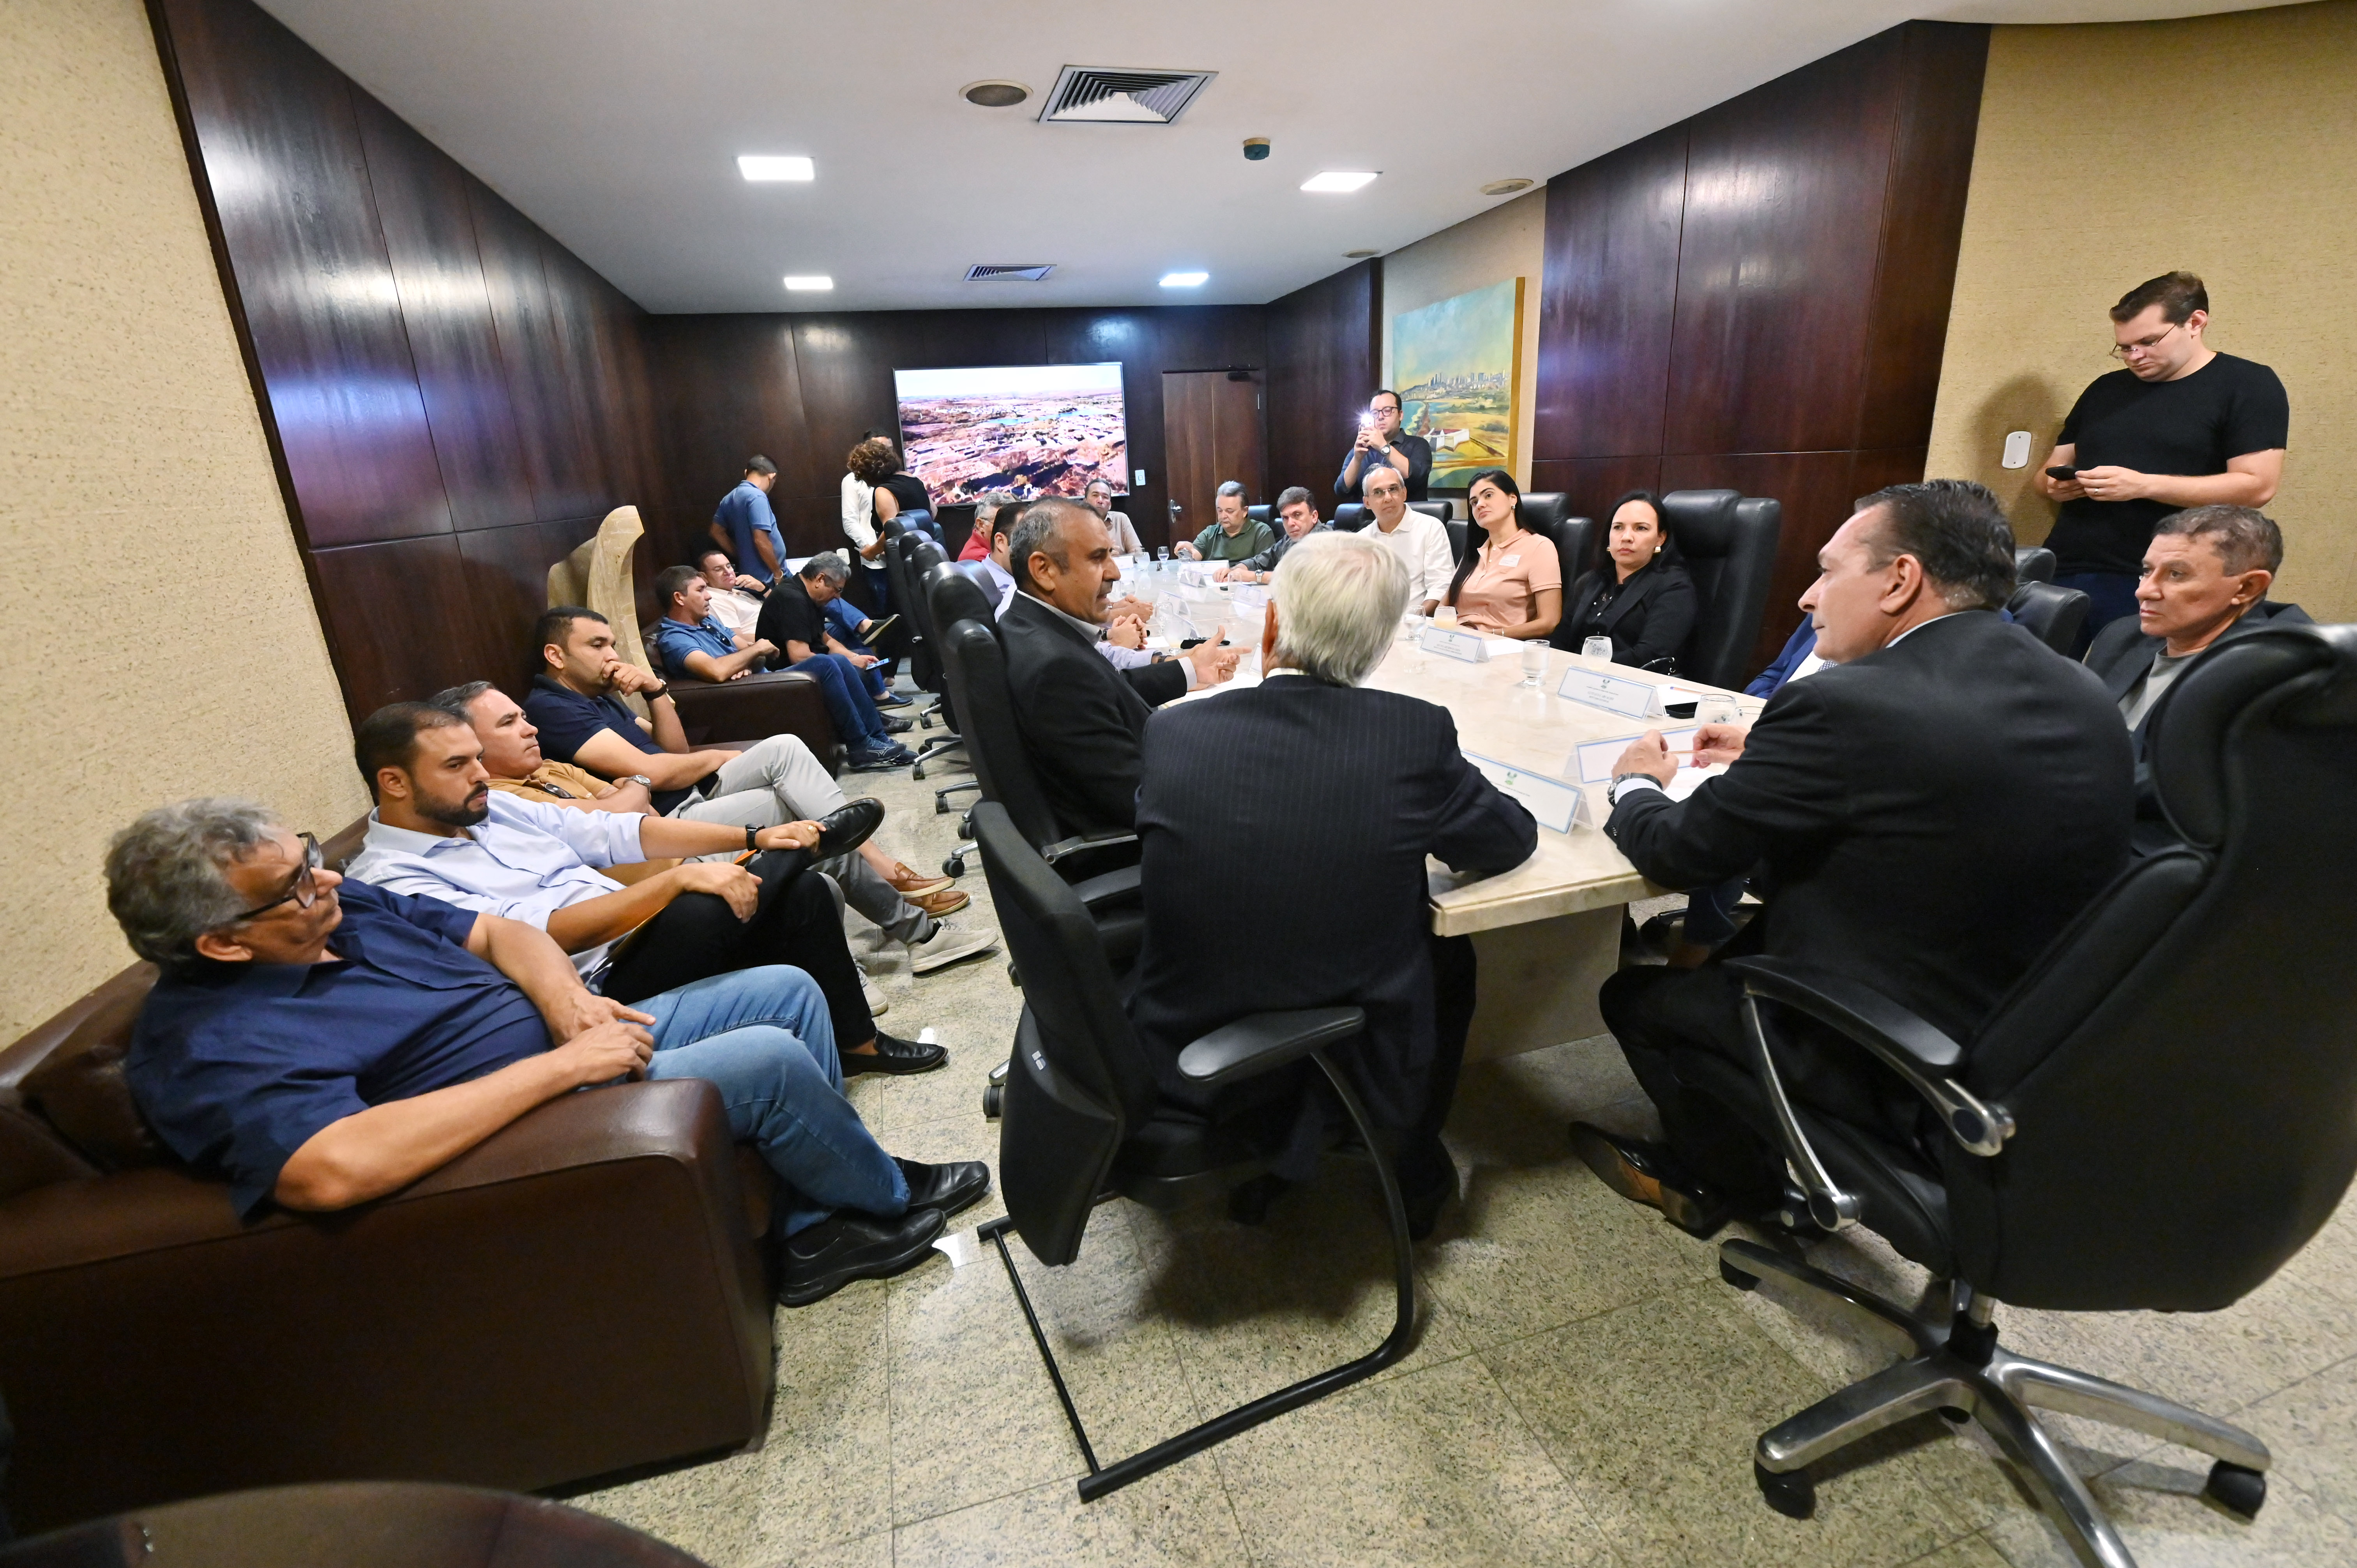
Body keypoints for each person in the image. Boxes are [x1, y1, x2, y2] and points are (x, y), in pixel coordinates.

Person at [110, 798, 988, 1305]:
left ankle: (810, 1221)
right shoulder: (208, 1043)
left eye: (309, 858)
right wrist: (562, 1067)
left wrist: (569, 1006)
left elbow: (504, 934)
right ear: (222, 941)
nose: (328, 878)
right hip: (522, 1118)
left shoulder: (345, 909)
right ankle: (879, 1194)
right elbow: (330, 1169)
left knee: (787, 990)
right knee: (766, 1056)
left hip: (571, 1043)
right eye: (296, 884)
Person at [1572, 480, 2133, 1234]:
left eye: (1828, 571)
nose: (1808, 596)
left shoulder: (1847, 702)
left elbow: (1678, 853)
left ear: (1900, 579)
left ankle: (1724, 1180)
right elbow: (1937, 774)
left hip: (1876, 1038)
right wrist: (1771, 747)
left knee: (1634, 997)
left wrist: (1635, 782)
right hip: (2027, 1036)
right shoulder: (2084, 691)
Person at [1131, 532, 1536, 1237]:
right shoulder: (1412, 734)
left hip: (1178, 1033)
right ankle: (1409, 1155)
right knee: (1450, 953)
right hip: (1336, 1033)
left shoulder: (1174, 731)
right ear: (1380, 646)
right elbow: (1506, 840)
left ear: (1271, 622)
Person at [343, 702, 967, 1076]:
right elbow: (546, 935)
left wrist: (754, 834)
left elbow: (618, 833)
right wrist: (675, 881)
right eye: (457, 766)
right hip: (596, 981)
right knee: (699, 907)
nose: (481, 776)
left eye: (478, 758)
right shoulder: (391, 880)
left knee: (802, 893)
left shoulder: (489, 808)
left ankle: (859, 1042)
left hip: (636, 936)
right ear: (394, 782)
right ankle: (797, 851)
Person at [444, 681, 986, 941]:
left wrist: (654, 693)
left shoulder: (549, 765)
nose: (530, 727)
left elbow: (642, 781)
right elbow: (634, 797)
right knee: (801, 828)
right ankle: (910, 923)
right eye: (510, 723)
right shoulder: (504, 799)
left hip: (667, 827)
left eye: (522, 718)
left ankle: (896, 898)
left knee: (788, 768)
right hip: (656, 867)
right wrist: (630, 791)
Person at [2035, 272, 2288, 645]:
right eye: (2125, 347)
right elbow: (2046, 474)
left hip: (2160, 578)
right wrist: (2056, 486)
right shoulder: (2106, 389)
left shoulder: (2248, 384)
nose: (2135, 357)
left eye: (2148, 342)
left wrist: (2142, 485)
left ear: (2195, 323)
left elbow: (2257, 486)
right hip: (2067, 564)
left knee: (2128, 679)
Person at [1000, 498, 1239, 835]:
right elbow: (1141, 799)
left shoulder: (1029, 625)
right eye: (1098, 558)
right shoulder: (1056, 668)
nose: (1114, 572)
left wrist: (1190, 669)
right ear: (1044, 570)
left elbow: (1107, 687)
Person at [2084, 505, 2310, 852]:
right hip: (2086, 816)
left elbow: (2189, 782)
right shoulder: (2123, 636)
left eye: (2176, 575)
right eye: (2147, 571)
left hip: (2164, 848)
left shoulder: (2275, 668)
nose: (2145, 591)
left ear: (2247, 587)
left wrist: (2061, 776)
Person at [750, 558, 919, 771]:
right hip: (778, 677)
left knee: (844, 658)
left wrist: (853, 657)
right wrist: (842, 660)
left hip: (799, 669)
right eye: (837, 590)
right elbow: (798, 656)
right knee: (827, 663)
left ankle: (878, 739)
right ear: (820, 579)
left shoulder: (811, 597)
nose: (838, 596)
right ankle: (860, 745)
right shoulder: (791, 598)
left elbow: (826, 640)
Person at [1555, 490, 1696, 671]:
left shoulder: (1674, 587)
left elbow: (1650, 655)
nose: (1626, 537)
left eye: (1641, 528)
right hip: (1570, 676)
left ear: (1660, 538)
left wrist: (1584, 668)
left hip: (1629, 681)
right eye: (1618, 527)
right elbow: (1560, 639)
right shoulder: (1590, 581)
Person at [1442, 469, 1560, 639]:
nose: (1480, 505)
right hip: (1457, 640)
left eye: (1488, 495)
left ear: (1513, 499)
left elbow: (1549, 622)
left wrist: (1490, 635)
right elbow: (1444, 609)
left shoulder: (1539, 547)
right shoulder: (1475, 551)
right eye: (1474, 502)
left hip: (1502, 645)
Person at [646, 564, 779, 685]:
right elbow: (717, 671)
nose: (709, 596)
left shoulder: (707, 620)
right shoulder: (675, 638)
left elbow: (754, 655)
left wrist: (745, 665)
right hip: (754, 691)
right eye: (700, 590)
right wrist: (757, 649)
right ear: (679, 598)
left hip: (764, 679)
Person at [1360, 464, 1453, 614]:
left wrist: (1414, 619)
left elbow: (1441, 586)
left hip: (1417, 621)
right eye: (1378, 492)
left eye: (1393, 489)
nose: (1388, 498)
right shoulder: (1361, 540)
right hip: (1372, 623)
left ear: (1404, 493)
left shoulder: (1431, 528)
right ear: (1367, 503)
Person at [1334, 389, 1433, 503]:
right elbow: (1341, 490)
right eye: (1375, 413)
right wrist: (1357, 459)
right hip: (1368, 514)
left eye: (1387, 411)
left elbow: (1416, 476)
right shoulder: (1360, 450)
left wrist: (1383, 446)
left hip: (1407, 513)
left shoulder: (1418, 444)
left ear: (1400, 415)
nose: (1380, 417)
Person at [1218, 487, 1331, 584]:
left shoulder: (1326, 540)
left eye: (1297, 515)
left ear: (1314, 517)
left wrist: (1254, 576)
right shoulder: (1291, 538)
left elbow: (1297, 578)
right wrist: (1235, 570)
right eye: (1285, 518)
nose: (1290, 523)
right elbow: (1264, 560)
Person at [710, 457, 789, 588]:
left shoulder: (729, 498)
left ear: (746, 473)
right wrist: (777, 573)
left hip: (750, 576)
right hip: (768, 579)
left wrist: (740, 554)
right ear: (772, 476)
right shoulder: (757, 496)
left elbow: (716, 532)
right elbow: (760, 540)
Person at [839, 437, 892, 606]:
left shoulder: (897, 477)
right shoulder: (853, 480)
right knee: (883, 611)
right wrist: (873, 549)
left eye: (888, 449)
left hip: (903, 557)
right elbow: (850, 521)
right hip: (876, 562)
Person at [1171, 482, 1276, 564]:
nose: (1223, 516)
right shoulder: (1210, 533)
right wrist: (1189, 551)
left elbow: (1264, 566)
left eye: (1230, 511)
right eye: (1220, 511)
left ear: (1245, 512)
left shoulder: (1261, 532)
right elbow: (1196, 555)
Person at [692, 546, 768, 639]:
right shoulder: (713, 599)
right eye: (718, 569)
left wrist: (763, 589)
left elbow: (780, 606)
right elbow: (737, 639)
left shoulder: (740, 592)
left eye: (729, 566)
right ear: (704, 577)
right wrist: (776, 638)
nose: (728, 572)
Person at [1085, 477, 1145, 554]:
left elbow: (1138, 553)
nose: (1100, 501)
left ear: (1110, 505)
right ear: (1085, 502)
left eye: (1105, 497)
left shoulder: (1121, 519)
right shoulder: (1075, 525)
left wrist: (1119, 559)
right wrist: (1103, 557)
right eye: (1095, 495)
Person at [958, 491, 1016, 562]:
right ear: (981, 525)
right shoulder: (980, 559)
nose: (1009, 529)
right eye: (1000, 523)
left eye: (1011, 523)